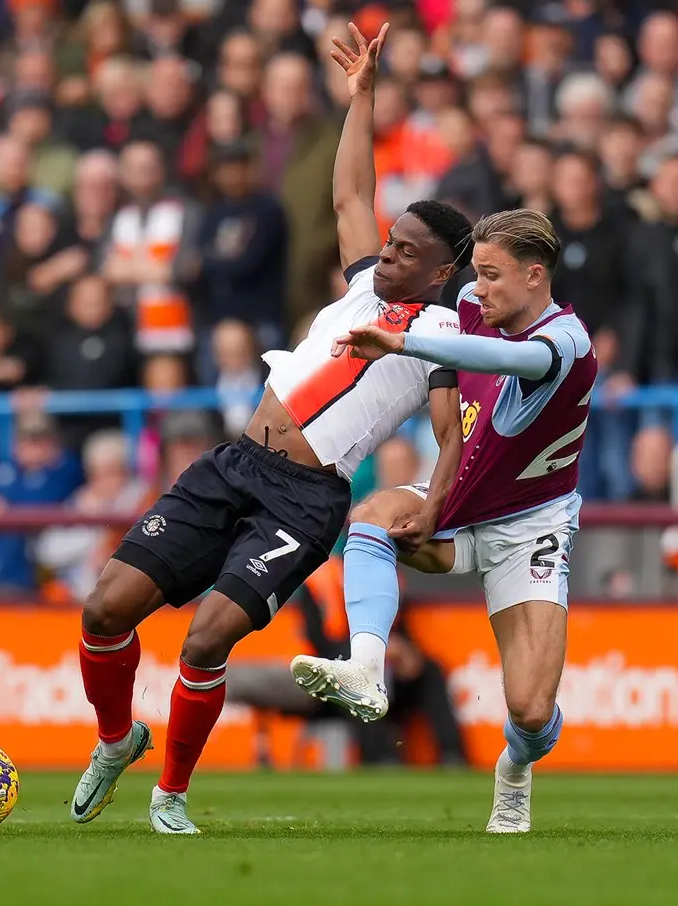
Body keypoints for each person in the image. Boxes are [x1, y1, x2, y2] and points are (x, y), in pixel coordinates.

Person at [69, 22, 472, 835]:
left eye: (404, 254)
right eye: (387, 246)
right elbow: (350, 197)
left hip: (303, 500)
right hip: (232, 464)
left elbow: (447, 427)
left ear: (440, 271)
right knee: (104, 611)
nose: (384, 256)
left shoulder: (437, 336)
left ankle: (171, 796)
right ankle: (117, 741)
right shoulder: (364, 288)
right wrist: (360, 98)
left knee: (207, 636)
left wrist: (434, 496)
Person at [292, 208, 597, 834]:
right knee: (372, 516)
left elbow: (491, 356)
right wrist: (433, 496)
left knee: (532, 712)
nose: (476, 289)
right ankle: (367, 669)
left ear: (535, 276)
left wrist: (402, 341)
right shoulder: (467, 303)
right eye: (475, 274)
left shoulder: (567, 343)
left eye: (491, 276)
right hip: (458, 497)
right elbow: (451, 400)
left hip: (528, 524)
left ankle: (515, 767)